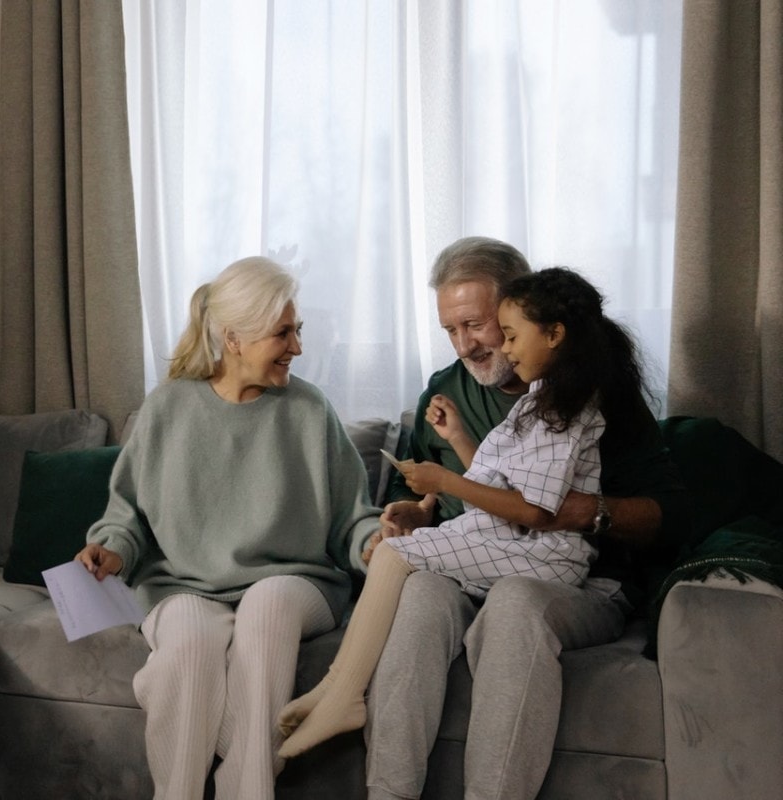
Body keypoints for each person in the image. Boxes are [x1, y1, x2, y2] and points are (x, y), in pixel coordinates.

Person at [347, 237, 687, 800]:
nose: (465, 345)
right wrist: (415, 515)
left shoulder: (589, 394)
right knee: (421, 596)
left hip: (570, 579)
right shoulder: (445, 390)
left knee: (515, 603)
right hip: (469, 565)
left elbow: (669, 516)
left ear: (520, 311)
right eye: (450, 331)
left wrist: (588, 512)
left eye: (477, 326)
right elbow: (446, 491)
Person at [277, 266, 637, 757]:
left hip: (544, 555)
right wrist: (457, 440)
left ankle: (341, 692)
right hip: (519, 544)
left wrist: (443, 480)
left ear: (554, 335)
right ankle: (338, 691)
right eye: (450, 330)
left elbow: (533, 511)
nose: (503, 349)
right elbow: (500, 486)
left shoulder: (564, 411)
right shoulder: (541, 400)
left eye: (508, 335)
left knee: (396, 554)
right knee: (398, 550)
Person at [75, 256, 382, 800]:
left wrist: (373, 542)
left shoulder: (310, 410)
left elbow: (351, 519)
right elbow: (126, 514)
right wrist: (110, 550)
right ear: (234, 338)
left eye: (298, 330)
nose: (298, 347)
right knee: (189, 644)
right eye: (282, 333)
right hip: (183, 584)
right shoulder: (167, 408)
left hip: (296, 580)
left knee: (266, 606)